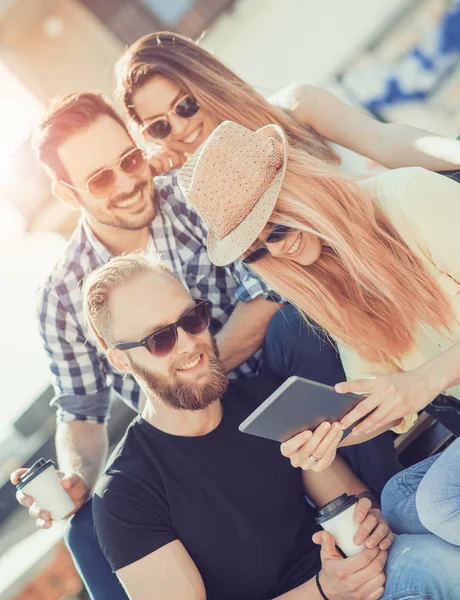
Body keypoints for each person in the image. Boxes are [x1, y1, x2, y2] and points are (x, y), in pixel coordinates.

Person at [8, 92, 338, 600]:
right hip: (183, 446)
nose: (126, 183)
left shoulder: (192, 196)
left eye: (129, 159)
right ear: (69, 194)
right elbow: (80, 411)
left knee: (296, 328)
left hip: (266, 384)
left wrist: (191, 363)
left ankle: (382, 509)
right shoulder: (59, 298)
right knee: (90, 528)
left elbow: (268, 297)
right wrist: (74, 478)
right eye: (99, 179)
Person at [87, 251, 460, 600]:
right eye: (160, 339)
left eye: (191, 320)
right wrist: (323, 591)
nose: (188, 344)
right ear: (121, 359)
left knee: (430, 543)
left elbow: (350, 499)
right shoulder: (123, 496)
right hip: (329, 590)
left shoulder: (267, 405)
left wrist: (369, 522)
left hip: (358, 579)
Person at [178, 119, 460, 541]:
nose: (278, 249)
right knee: (399, 500)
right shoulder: (327, 284)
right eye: (258, 249)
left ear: (300, 184)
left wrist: (422, 381)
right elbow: (383, 400)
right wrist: (330, 440)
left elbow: (413, 388)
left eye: (277, 226)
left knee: (436, 503)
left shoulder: (408, 198)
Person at [115, 31, 460, 178]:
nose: (179, 128)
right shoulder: (199, 194)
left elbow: (383, 140)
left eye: (185, 105)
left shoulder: (296, 106)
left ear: (208, 83)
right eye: (159, 126)